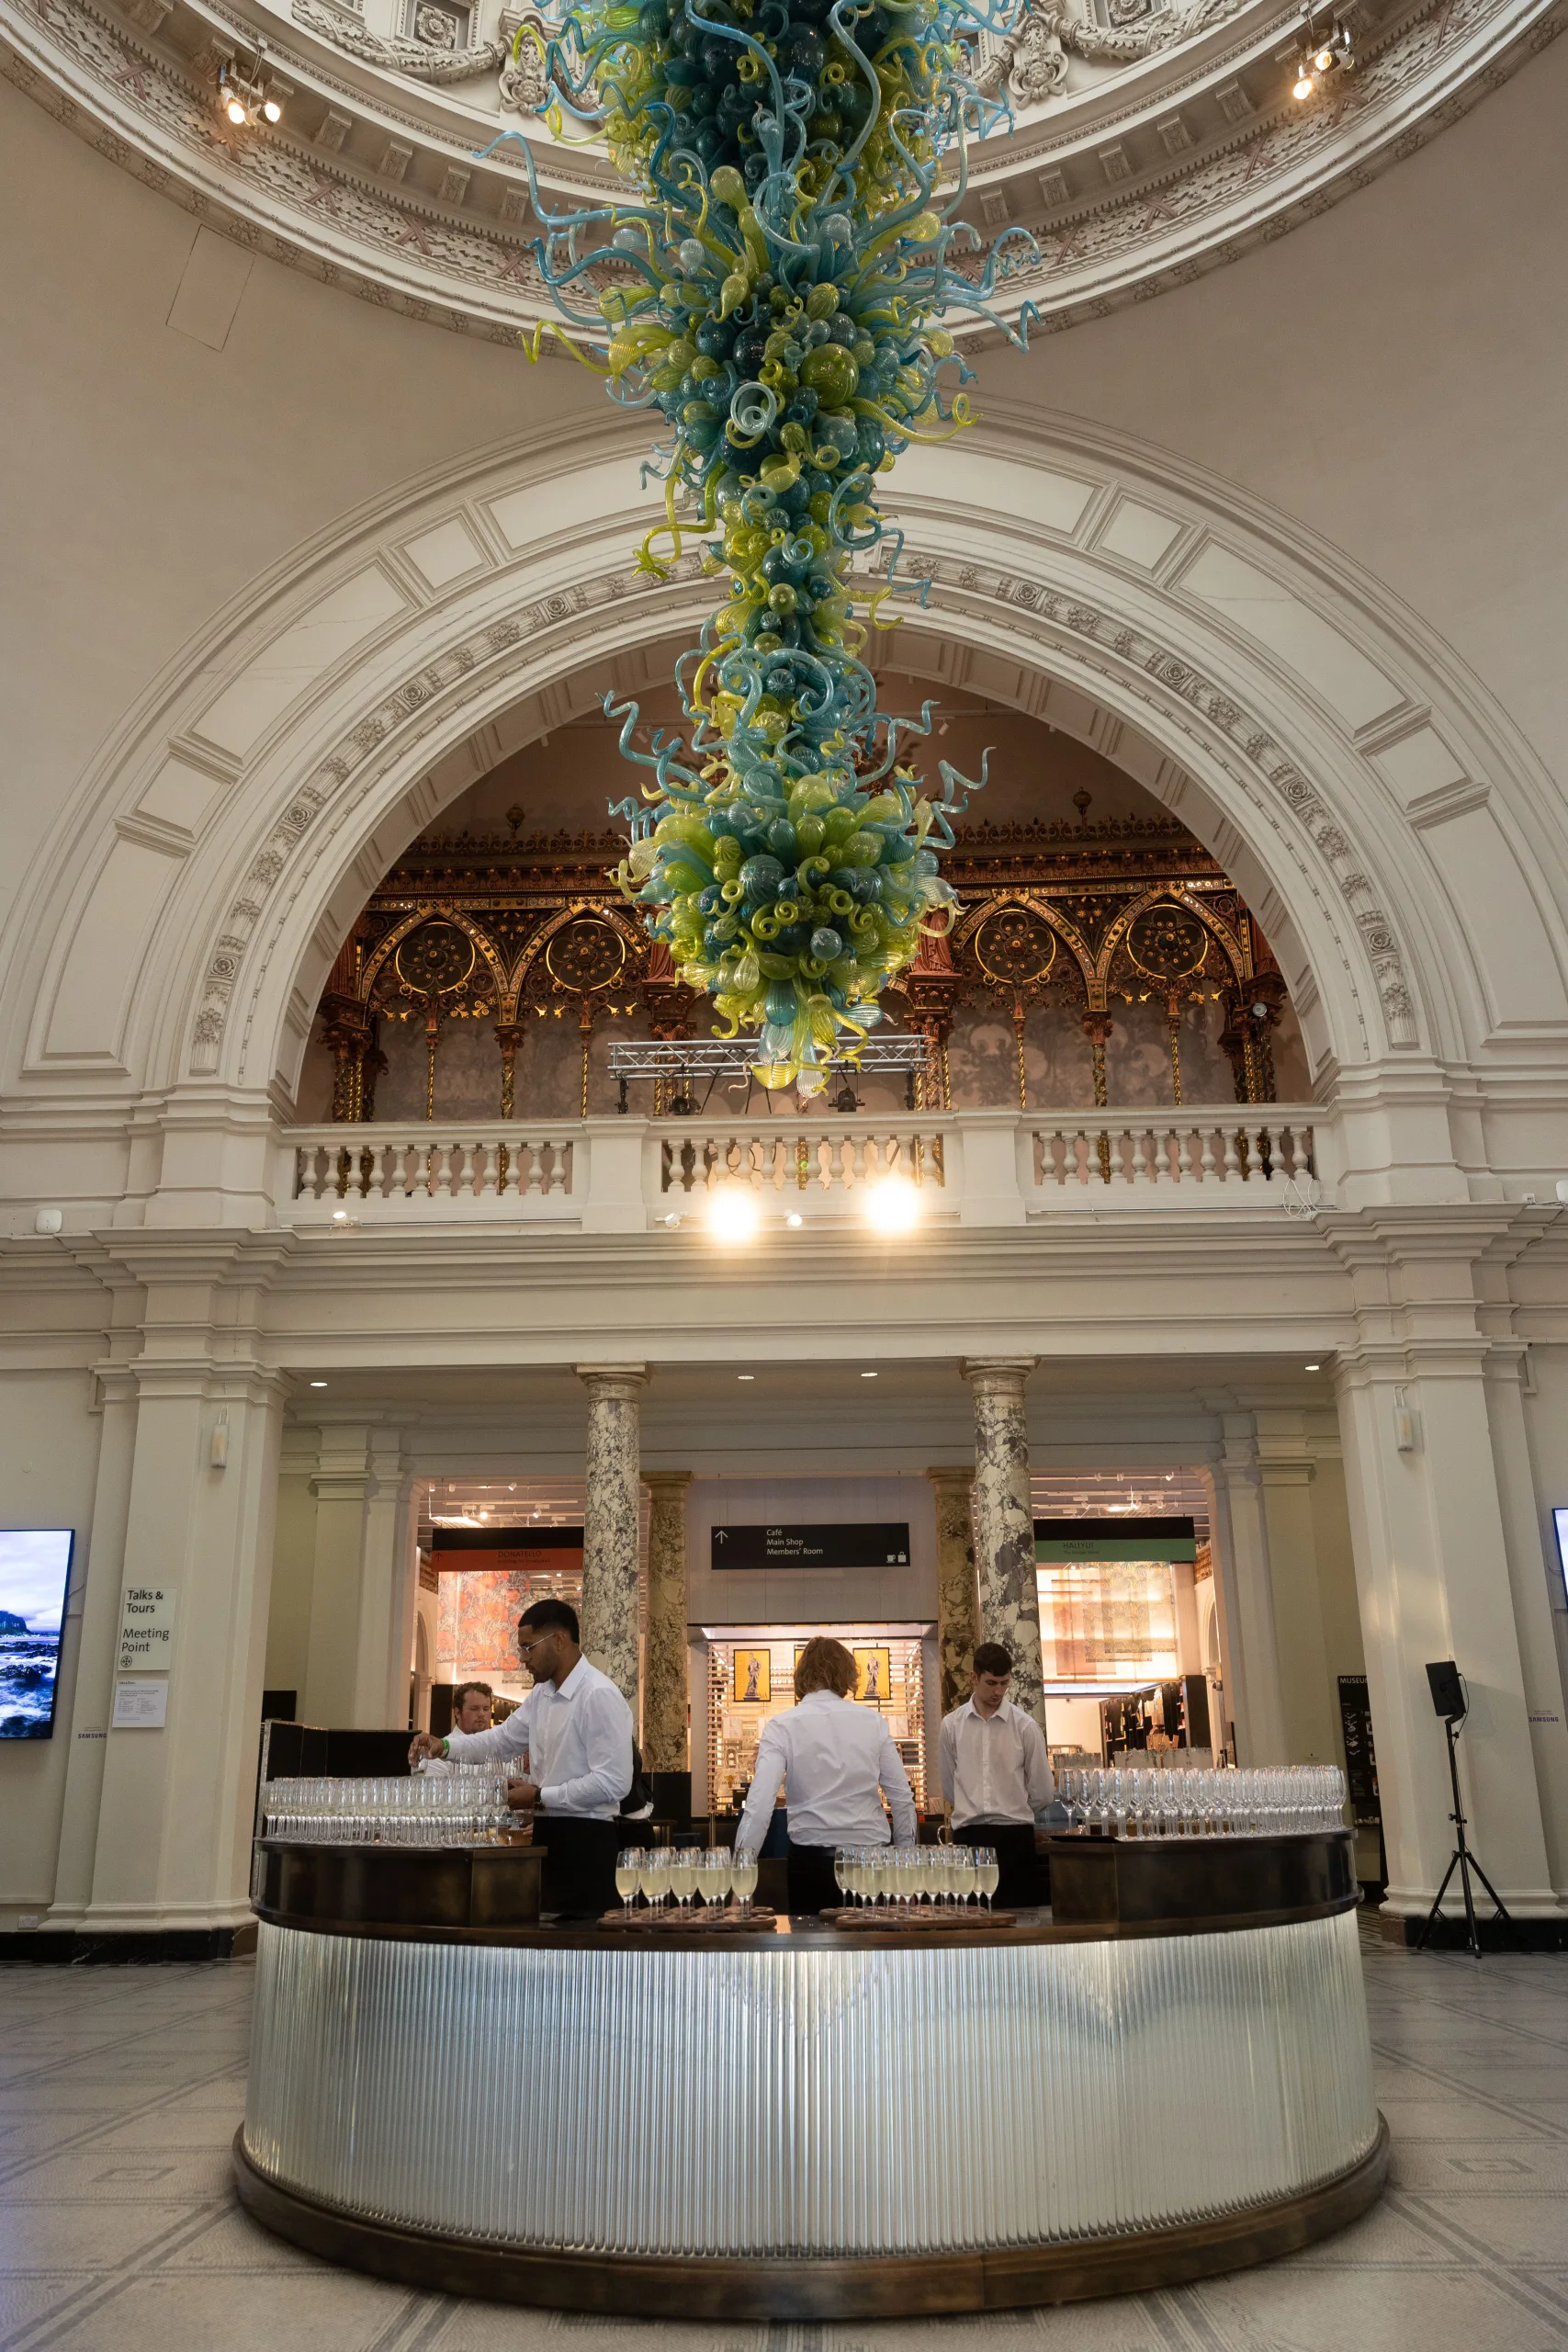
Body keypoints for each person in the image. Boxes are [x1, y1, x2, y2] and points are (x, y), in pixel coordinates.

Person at [410, 1599, 631, 1917]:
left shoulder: (597, 1694)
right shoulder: (543, 1694)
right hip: (548, 1834)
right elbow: (502, 1740)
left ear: (559, 1640)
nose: (522, 1659)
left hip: (588, 1841)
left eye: (529, 1648)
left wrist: (540, 1796)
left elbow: (613, 1783)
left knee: (581, 1946)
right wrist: (443, 1747)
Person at [734, 1635, 917, 1917]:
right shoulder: (873, 1723)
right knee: (871, 1955)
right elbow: (902, 1800)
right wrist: (906, 1872)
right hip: (870, 1864)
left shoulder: (781, 1726)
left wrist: (740, 1881)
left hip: (810, 1866)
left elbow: (758, 1808)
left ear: (802, 1675)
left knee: (812, 1956)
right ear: (847, 1675)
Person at [939, 1642, 1055, 1911]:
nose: (998, 1691)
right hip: (968, 1839)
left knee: (1022, 1925)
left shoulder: (1026, 1727)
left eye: (1004, 1683)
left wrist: (1012, 1807)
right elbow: (948, 1786)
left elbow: (1043, 1791)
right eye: (991, 1683)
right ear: (973, 1678)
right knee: (967, 1926)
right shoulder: (951, 1726)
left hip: (1015, 1839)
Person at [418, 1680, 496, 1773]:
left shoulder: (497, 1749)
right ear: (457, 1712)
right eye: (474, 1709)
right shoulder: (439, 1755)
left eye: (486, 1709)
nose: (481, 1714)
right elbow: (434, 1786)